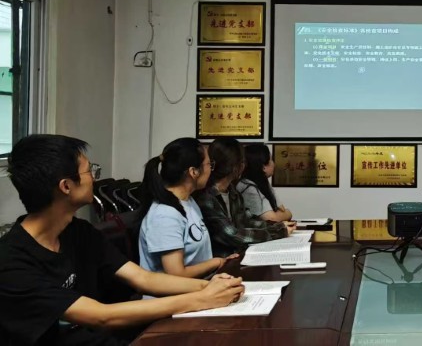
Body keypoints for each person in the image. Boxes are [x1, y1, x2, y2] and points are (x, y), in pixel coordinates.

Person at [0, 134, 244, 345]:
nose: (95, 178)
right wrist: (201, 298)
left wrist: (211, 286)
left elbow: (143, 278)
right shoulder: (12, 262)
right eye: (90, 171)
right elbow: (101, 315)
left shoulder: (79, 232)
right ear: (66, 186)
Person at [139, 138, 237, 279]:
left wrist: (222, 261)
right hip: (178, 292)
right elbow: (176, 275)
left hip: (200, 285)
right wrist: (216, 262)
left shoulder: (188, 202)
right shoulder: (165, 214)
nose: (211, 170)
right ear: (193, 172)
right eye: (209, 164)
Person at [194, 137, 294, 257]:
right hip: (222, 260)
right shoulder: (207, 197)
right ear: (237, 166)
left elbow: (247, 221)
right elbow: (232, 235)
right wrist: (277, 232)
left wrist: (277, 227)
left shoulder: (232, 192)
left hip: (238, 255)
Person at [237, 143, 293, 222]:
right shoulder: (248, 188)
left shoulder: (262, 184)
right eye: (271, 160)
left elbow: (281, 208)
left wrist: (283, 213)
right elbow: (272, 218)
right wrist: (289, 213)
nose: (274, 164)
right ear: (263, 167)